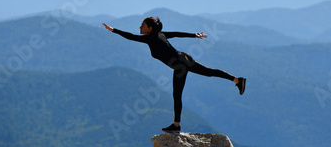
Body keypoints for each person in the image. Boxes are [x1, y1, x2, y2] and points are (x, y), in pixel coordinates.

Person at [102, 17, 246, 133]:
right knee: (208, 72)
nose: (140, 27)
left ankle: (176, 125)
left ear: (150, 28)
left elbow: (130, 36)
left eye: (142, 25)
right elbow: (177, 33)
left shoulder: (150, 38)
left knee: (177, 95)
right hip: (184, 57)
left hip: (180, 65)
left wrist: (112, 29)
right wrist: (194, 35)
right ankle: (236, 80)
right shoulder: (160, 34)